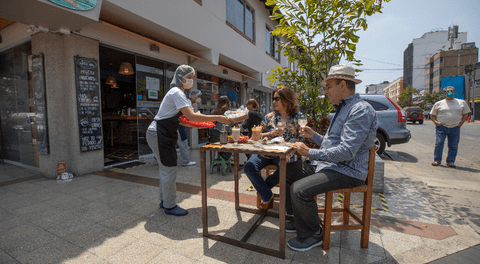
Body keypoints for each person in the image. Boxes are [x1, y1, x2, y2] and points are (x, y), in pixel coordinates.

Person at [284, 64, 377, 252]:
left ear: (342, 85)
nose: (325, 92)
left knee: (299, 189)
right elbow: (332, 144)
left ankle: (313, 234)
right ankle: (298, 220)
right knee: (287, 172)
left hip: (348, 171)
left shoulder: (359, 110)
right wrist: (314, 136)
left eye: (328, 87)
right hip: (330, 165)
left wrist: (309, 152)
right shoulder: (343, 108)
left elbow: (346, 152)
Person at [146, 65, 231, 216]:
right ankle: (170, 206)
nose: (191, 80)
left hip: (161, 133)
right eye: (190, 77)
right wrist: (217, 117)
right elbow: (191, 116)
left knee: (165, 168)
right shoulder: (176, 92)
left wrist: (204, 123)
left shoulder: (178, 94)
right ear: (181, 78)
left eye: (192, 77)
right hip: (159, 134)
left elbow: (184, 120)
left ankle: (165, 200)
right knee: (169, 168)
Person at [244, 86, 303, 211]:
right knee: (249, 166)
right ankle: (267, 194)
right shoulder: (269, 117)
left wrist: (291, 152)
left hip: (284, 154)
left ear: (287, 99)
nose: (274, 101)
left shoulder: (299, 117)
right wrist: (272, 134)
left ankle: (265, 190)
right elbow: (257, 135)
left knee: (286, 168)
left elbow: (301, 139)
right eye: (273, 98)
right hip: (266, 152)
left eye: (277, 98)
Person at [430, 86, 470, 168]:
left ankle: (450, 161)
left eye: (451, 91)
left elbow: (466, 114)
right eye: (447, 91)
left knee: (453, 145)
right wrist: (435, 122)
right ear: (444, 93)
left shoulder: (461, 102)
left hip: (455, 127)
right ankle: (437, 160)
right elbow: (432, 114)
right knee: (439, 143)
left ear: (454, 92)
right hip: (441, 127)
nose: (450, 92)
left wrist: (460, 124)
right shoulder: (439, 103)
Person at [177, 90, 202, 167]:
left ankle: (159, 156)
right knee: (183, 142)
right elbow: (187, 116)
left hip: (178, 124)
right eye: (198, 96)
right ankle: (185, 161)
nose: (199, 98)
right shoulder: (187, 103)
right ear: (193, 96)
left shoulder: (189, 103)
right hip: (178, 124)